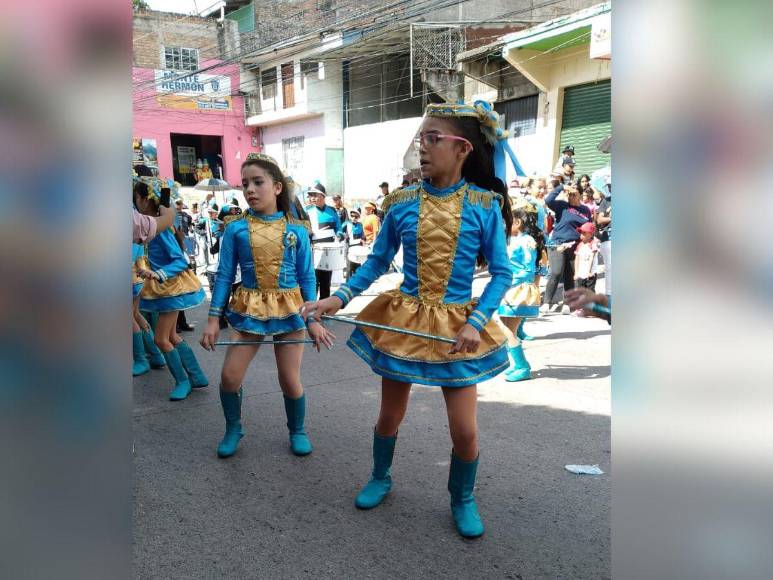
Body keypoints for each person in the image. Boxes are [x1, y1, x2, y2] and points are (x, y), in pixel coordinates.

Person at [303, 100, 515, 539]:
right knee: (388, 417)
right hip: (405, 319)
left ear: (463, 150)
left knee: (465, 432)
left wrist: (476, 322)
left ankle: (463, 497)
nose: (423, 146)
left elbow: (502, 272)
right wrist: (337, 299)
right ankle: (381, 476)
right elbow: (378, 260)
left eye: (433, 138)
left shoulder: (483, 204)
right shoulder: (400, 202)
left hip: (459, 325)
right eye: (421, 138)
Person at [200, 153, 334, 459]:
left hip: (290, 309)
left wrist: (313, 319)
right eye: (245, 183)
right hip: (249, 309)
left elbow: (307, 277)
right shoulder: (235, 228)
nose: (249, 189)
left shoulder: (297, 229)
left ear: (277, 187)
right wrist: (212, 319)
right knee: (229, 378)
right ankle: (233, 428)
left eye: (258, 182)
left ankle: (297, 430)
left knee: (289, 379)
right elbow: (223, 276)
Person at [134, 181, 209, 401]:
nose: (134, 203)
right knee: (172, 335)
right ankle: (196, 376)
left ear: (145, 200)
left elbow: (181, 261)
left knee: (161, 339)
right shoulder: (153, 227)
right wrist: (145, 269)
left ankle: (183, 381)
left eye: (136, 198)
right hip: (164, 289)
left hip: (170, 289)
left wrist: (158, 274)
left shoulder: (161, 230)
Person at [497, 200, 544, 381]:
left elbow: (527, 270)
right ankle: (518, 364)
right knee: (507, 328)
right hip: (512, 288)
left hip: (518, 289)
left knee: (505, 329)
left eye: (508, 220)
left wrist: (507, 282)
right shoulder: (519, 240)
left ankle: (522, 366)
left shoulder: (526, 242)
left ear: (517, 222)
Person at [542, 180, 592, 313]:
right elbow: (548, 199)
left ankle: (567, 304)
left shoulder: (585, 210)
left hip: (575, 244)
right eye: (569, 194)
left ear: (580, 195)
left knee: (570, 274)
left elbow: (589, 227)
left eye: (574, 194)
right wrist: (562, 187)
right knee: (556, 272)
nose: (570, 196)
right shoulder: (562, 206)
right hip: (558, 243)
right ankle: (546, 302)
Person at [305, 184, 342, 299]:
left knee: (326, 282)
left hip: (329, 251)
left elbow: (339, 228)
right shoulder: (308, 212)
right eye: (310, 196)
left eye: (314, 195)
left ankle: (323, 311)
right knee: (314, 281)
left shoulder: (332, 211)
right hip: (314, 250)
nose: (312, 198)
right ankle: (312, 307)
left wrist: (340, 235)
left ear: (322, 196)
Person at [573, 222, 600, 296]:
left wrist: (589, 272)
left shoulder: (593, 244)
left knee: (590, 291)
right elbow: (577, 259)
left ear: (590, 234)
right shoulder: (579, 245)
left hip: (590, 274)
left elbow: (592, 257)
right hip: (580, 273)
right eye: (581, 233)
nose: (581, 235)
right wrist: (576, 273)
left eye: (584, 233)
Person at [594, 183, 612, 294]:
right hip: (609, 238)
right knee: (610, 271)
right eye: (609, 186)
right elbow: (599, 220)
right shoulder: (606, 200)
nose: (610, 188)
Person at [342, 208, 365, 277]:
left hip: (357, 248)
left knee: (357, 267)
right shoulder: (346, 224)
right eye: (352, 215)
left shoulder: (360, 225)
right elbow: (339, 231)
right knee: (349, 267)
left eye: (356, 216)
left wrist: (363, 240)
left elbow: (363, 237)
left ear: (359, 217)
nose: (354, 218)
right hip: (349, 247)